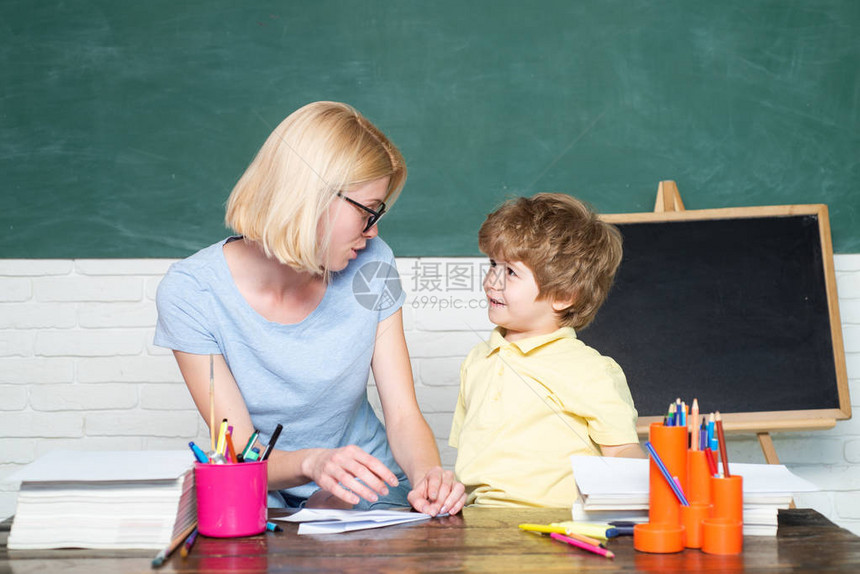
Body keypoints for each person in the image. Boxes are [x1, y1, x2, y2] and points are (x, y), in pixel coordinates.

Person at [155, 101, 465, 515]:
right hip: (263, 504)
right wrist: (312, 463)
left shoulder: (374, 262)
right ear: (313, 199)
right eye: (367, 211)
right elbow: (242, 454)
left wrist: (430, 474)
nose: (374, 231)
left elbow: (403, 413)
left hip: (371, 493)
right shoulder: (192, 292)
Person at [449, 193, 645, 508]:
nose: (491, 281)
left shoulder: (590, 370)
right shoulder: (478, 360)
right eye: (492, 265)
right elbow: (473, 463)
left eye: (510, 272)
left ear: (564, 295)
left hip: (556, 524)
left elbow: (621, 451)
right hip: (479, 521)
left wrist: (645, 482)